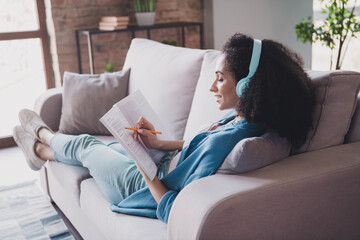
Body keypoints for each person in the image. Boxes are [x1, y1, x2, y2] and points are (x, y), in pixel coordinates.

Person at [13, 33, 315, 223]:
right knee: (104, 145)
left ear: (249, 85)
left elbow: (173, 207)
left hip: (144, 184)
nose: (213, 86)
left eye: (221, 78)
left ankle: (41, 139)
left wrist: (144, 166)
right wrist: (158, 146)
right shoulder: (250, 119)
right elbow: (197, 147)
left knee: (87, 146)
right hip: (160, 163)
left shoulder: (231, 139)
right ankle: (42, 150)